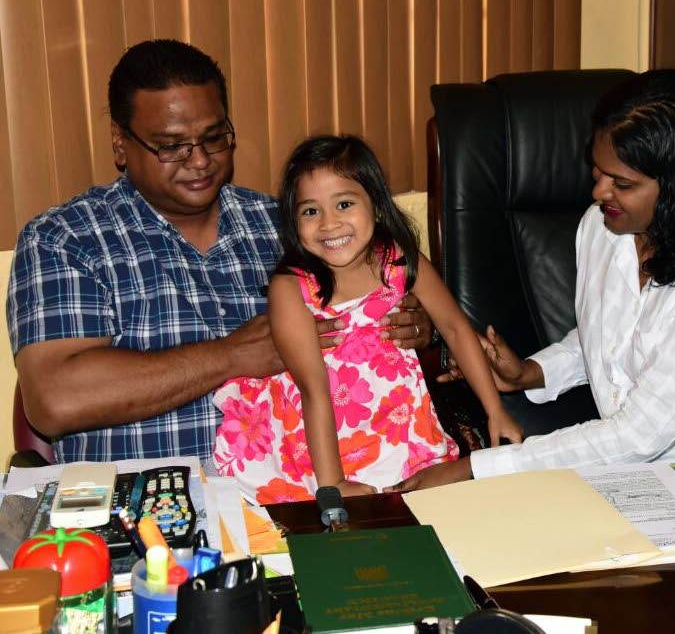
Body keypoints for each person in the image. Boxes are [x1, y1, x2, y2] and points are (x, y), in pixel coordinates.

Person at [386, 69, 675, 492]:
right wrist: (531, 373)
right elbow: (610, 336)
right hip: (641, 484)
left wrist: (473, 470)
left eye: (621, 182)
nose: (598, 192)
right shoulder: (602, 229)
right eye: (597, 171)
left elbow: (638, 436)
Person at [5, 40, 430, 463]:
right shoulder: (65, 238)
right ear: (120, 141)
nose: (201, 160)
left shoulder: (292, 224)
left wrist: (415, 329)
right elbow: (54, 400)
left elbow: (382, 310)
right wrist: (231, 356)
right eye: (172, 146)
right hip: (152, 512)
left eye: (214, 138)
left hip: (312, 488)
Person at [212, 135, 522, 502]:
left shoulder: (400, 260)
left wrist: (494, 410)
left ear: (375, 205)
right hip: (315, 434)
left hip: (394, 417)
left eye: (344, 204)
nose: (329, 224)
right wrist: (334, 484)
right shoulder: (290, 287)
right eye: (310, 211)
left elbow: (455, 328)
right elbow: (313, 387)